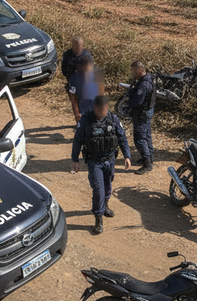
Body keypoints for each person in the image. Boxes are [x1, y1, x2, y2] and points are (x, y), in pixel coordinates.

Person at [71, 95, 131, 234]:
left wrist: (127, 156)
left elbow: (122, 138)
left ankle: (105, 206)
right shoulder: (86, 120)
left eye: (105, 109)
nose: (102, 112)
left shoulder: (113, 119)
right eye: (100, 109)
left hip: (110, 160)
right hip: (94, 162)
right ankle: (98, 218)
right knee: (98, 190)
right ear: (95, 108)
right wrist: (75, 160)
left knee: (108, 186)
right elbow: (77, 141)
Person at [126, 61, 156, 175]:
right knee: (147, 135)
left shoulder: (143, 85)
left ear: (139, 71)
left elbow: (136, 102)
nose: (131, 73)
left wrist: (129, 103)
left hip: (142, 114)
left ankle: (147, 163)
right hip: (147, 112)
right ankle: (149, 157)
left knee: (140, 138)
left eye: (133, 71)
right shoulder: (147, 79)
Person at [62, 36, 93, 120]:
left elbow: (90, 70)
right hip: (72, 84)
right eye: (77, 45)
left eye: (81, 45)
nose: (79, 47)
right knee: (75, 103)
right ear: (73, 45)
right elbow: (64, 69)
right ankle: (78, 122)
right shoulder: (67, 55)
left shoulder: (86, 55)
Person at [67, 56, 104, 123]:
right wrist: (77, 114)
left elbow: (101, 95)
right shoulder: (74, 79)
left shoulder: (97, 77)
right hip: (83, 110)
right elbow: (73, 99)